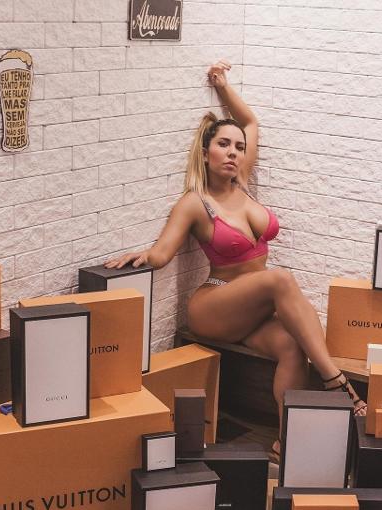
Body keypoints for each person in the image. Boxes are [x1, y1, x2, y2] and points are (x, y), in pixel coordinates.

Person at [105, 60, 367, 458]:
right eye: (223, 145)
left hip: (253, 310)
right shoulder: (195, 203)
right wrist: (139, 257)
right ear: (205, 152)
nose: (233, 152)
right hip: (215, 304)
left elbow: (250, 122)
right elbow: (162, 253)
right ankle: (335, 381)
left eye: (239, 147)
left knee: (292, 345)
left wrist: (222, 86)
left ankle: (286, 441)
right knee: (280, 279)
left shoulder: (242, 183)